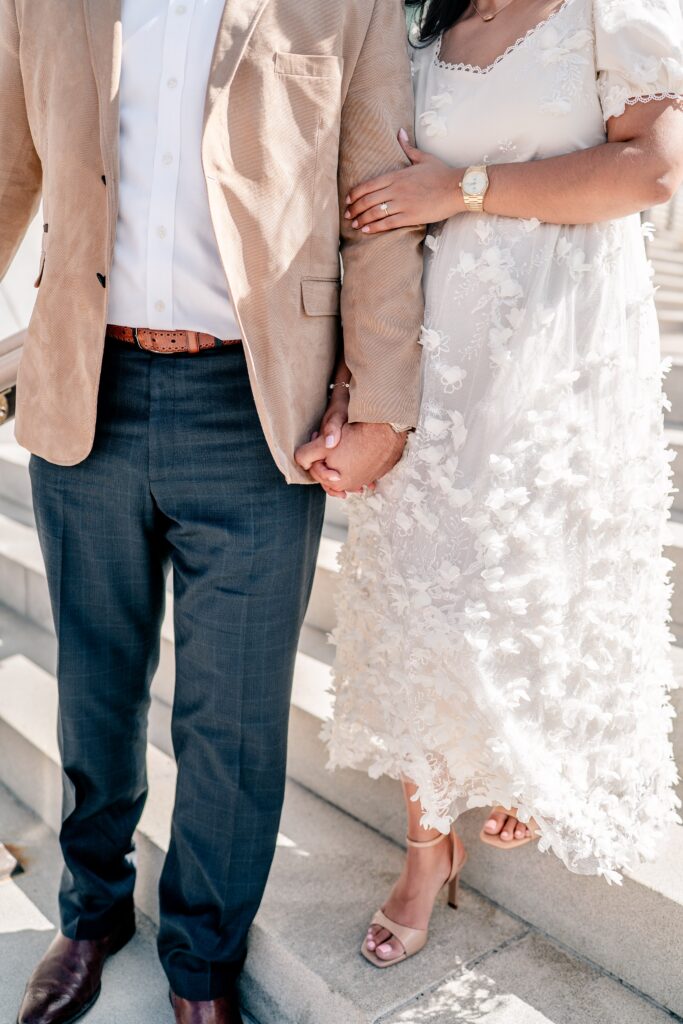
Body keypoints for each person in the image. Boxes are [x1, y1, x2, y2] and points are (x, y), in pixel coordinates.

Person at [0, 0, 425, 1020]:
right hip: (86, 389)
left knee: (231, 718)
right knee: (96, 687)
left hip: (254, 405)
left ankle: (202, 964)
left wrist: (380, 399)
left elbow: (377, 200)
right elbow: (10, 169)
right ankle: (92, 912)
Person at [297, 0, 683, 969]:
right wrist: (357, 380)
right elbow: (381, 200)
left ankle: (523, 759)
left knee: (520, 588)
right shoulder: (423, 21)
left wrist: (460, 190)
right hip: (435, 358)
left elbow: (652, 168)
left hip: (553, 359)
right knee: (420, 598)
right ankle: (427, 847)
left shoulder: (608, 12)